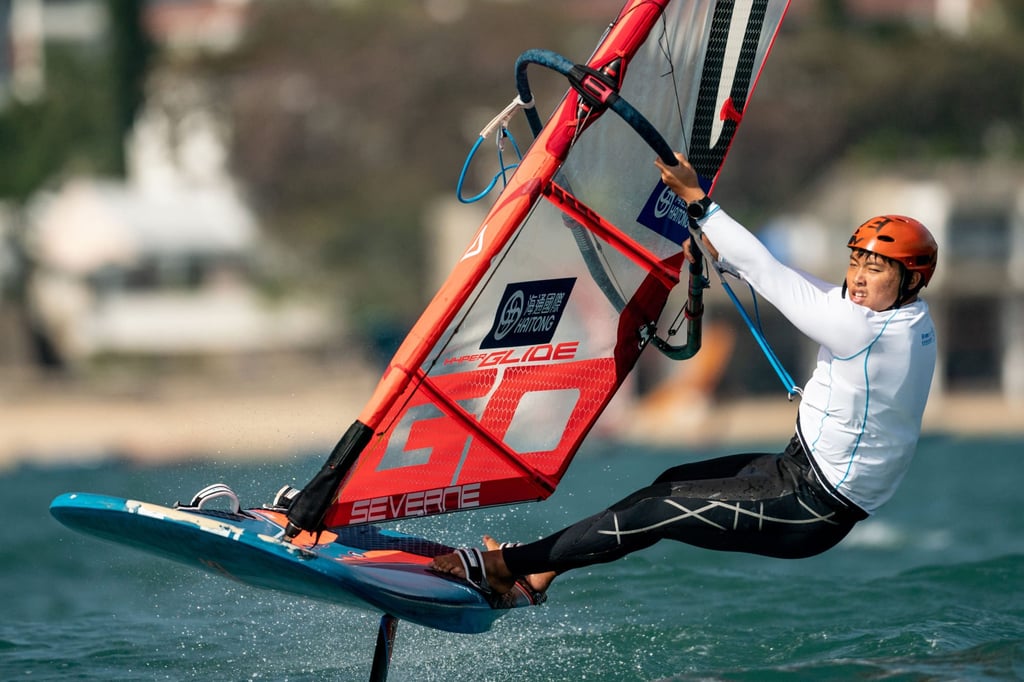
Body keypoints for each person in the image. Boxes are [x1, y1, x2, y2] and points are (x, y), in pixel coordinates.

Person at [430, 151, 939, 599]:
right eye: (856, 262)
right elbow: (802, 287)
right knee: (669, 483)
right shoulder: (902, 319)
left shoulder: (868, 331)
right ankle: (541, 571)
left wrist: (699, 200)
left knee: (656, 511)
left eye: (877, 269)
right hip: (793, 470)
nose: (858, 277)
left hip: (811, 509)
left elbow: (777, 277)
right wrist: (725, 254)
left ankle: (503, 568)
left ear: (911, 280)